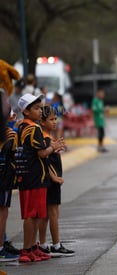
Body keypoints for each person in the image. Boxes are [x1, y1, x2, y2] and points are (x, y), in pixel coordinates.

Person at [16, 94, 65, 263]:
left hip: (32, 176)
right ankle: (27, 249)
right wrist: (53, 146)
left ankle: (33, 247)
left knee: (36, 214)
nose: (39, 111)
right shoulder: (33, 128)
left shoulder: (23, 126)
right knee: (31, 215)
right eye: (36, 108)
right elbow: (41, 153)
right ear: (26, 111)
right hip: (33, 176)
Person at [38, 105, 74, 257]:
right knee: (52, 213)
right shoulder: (45, 138)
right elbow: (45, 161)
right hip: (50, 180)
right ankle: (56, 244)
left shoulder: (49, 137)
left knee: (48, 213)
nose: (54, 122)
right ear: (42, 121)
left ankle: (43, 244)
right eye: (51, 119)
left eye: (55, 119)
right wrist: (54, 177)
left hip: (51, 179)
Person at [0, 109, 20, 262]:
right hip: (4, 177)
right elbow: (13, 152)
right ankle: (1, 248)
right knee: (2, 212)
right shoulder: (10, 134)